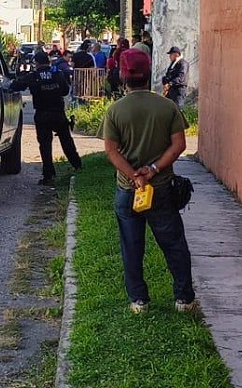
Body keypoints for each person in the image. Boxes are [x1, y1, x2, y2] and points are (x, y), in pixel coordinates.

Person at [101, 48, 197, 314]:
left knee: (131, 247)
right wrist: (152, 170)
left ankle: (139, 301)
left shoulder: (116, 111)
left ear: (123, 75)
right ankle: (184, 299)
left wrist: (133, 176)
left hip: (127, 190)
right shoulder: (167, 106)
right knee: (174, 244)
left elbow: (111, 150)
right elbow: (179, 145)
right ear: (149, 73)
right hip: (161, 188)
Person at [14, 51, 83, 186]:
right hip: (58, 113)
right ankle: (78, 166)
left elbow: (17, 86)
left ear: (37, 63)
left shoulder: (33, 76)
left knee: (45, 146)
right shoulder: (57, 74)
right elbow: (65, 91)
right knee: (67, 142)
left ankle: (48, 175)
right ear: (48, 61)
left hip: (42, 114)